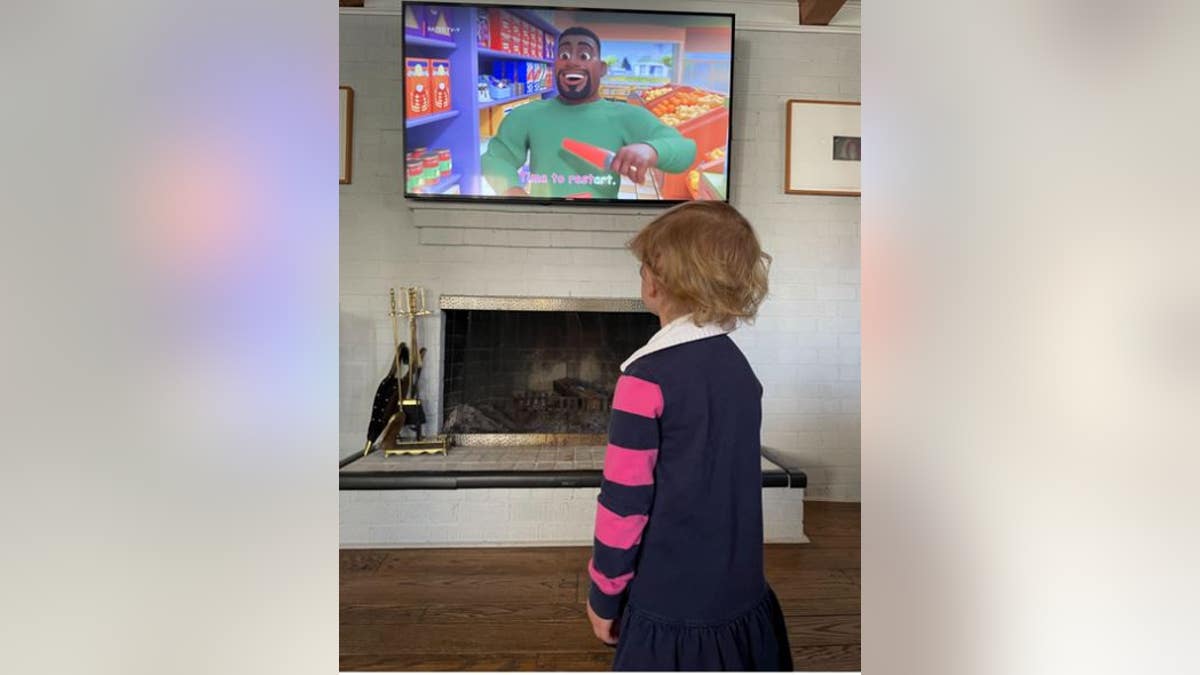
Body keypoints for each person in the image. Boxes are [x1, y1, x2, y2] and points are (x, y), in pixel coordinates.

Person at [586, 201, 794, 670]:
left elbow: (623, 504)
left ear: (657, 282)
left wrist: (604, 593)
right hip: (739, 590)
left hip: (669, 602)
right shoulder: (739, 369)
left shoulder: (644, 378)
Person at [481, 26, 697, 199]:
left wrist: (652, 150)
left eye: (584, 55)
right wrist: (511, 190)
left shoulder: (625, 116)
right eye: (564, 54)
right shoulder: (526, 115)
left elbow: (685, 149)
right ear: (555, 65)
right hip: (543, 220)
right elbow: (495, 159)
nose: (572, 61)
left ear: (602, 69)